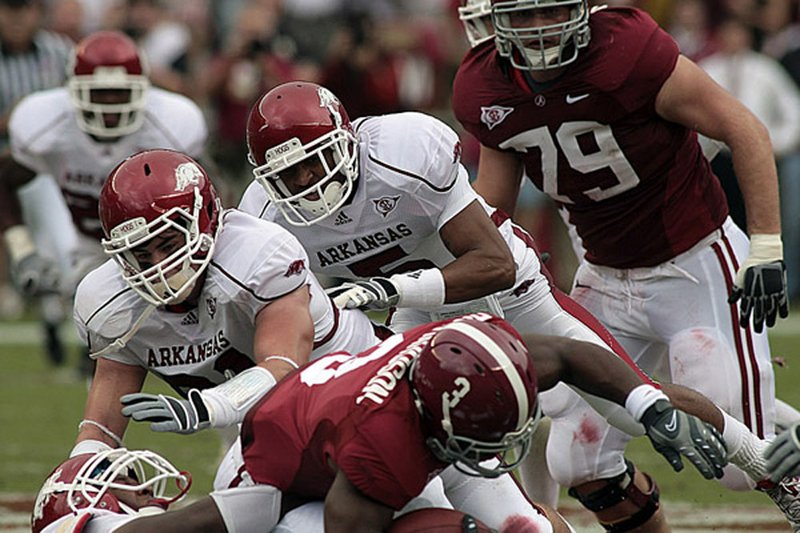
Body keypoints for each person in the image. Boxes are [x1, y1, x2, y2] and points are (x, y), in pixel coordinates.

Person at [238, 80, 778, 529]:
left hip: (507, 293)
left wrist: (390, 290)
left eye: (316, 162)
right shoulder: (267, 217)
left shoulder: (402, 156)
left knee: (630, 398)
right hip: (414, 323)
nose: (307, 183)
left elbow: (490, 262)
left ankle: (770, 466)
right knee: (447, 461)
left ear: (347, 140)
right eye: (289, 175)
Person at [451, 0, 798, 527]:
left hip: (694, 262)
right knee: (577, 457)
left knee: (737, 466)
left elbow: (742, 126)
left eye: (552, 11)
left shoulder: (625, 49)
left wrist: (766, 245)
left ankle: (779, 433)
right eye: (523, 15)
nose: (539, 28)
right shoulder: (483, 88)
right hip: (602, 275)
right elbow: (493, 200)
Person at [33, 313, 731, 533]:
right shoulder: (382, 451)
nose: (506, 449)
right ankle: (91, 525)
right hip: (286, 475)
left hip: (392, 432)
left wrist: (651, 406)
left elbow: (576, 355)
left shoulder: (476, 348)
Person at [71, 149, 381, 489]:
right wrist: (85, 472)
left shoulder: (257, 255)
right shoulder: (109, 302)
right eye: (141, 255)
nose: (158, 266)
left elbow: (282, 367)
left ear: (206, 219)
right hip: (271, 427)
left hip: (364, 390)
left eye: (169, 244)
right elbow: (100, 428)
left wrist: (202, 409)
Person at [0, 0, 76, 367]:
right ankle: (50, 316)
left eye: (23, 9)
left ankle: (61, 325)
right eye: (10, 9)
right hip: (5, 169)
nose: (16, 18)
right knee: (38, 249)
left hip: (46, 167)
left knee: (60, 247)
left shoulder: (59, 50)